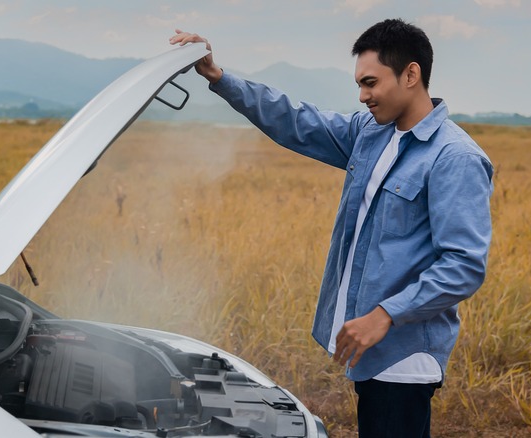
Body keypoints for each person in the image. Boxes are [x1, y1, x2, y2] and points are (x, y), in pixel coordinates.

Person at [170, 18, 493, 437]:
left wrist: (385, 315)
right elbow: (295, 120)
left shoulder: (455, 157)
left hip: (403, 355)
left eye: (371, 83)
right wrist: (218, 76)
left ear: (411, 75)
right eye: (359, 84)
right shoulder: (371, 133)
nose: (362, 96)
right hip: (371, 351)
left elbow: (464, 265)